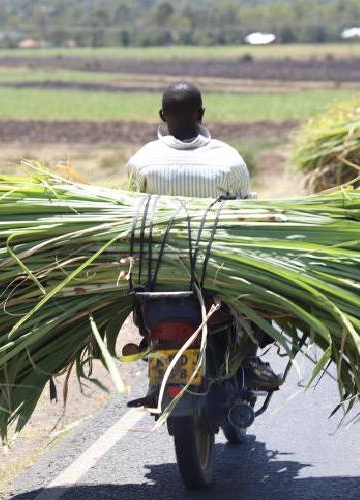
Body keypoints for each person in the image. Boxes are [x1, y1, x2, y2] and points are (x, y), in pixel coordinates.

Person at [124, 81, 282, 391]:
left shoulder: (142, 160)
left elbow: (129, 216)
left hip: (156, 279)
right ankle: (248, 361)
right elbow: (245, 216)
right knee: (259, 292)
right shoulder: (228, 159)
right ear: (201, 114)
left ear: (161, 115)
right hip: (218, 276)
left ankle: (149, 340)